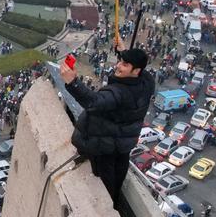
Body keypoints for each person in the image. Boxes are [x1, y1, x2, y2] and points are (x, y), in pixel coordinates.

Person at [61, 42, 154, 205]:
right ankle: (114, 203)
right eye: (120, 61)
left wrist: (73, 82)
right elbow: (139, 69)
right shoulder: (147, 82)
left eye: (124, 64)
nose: (118, 66)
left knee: (106, 188)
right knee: (117, 180)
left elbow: (93, 102)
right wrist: (124, 52)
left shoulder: (117, 93)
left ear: (136, 70)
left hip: (103, 146)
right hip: (122, 145)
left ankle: (109, 209)